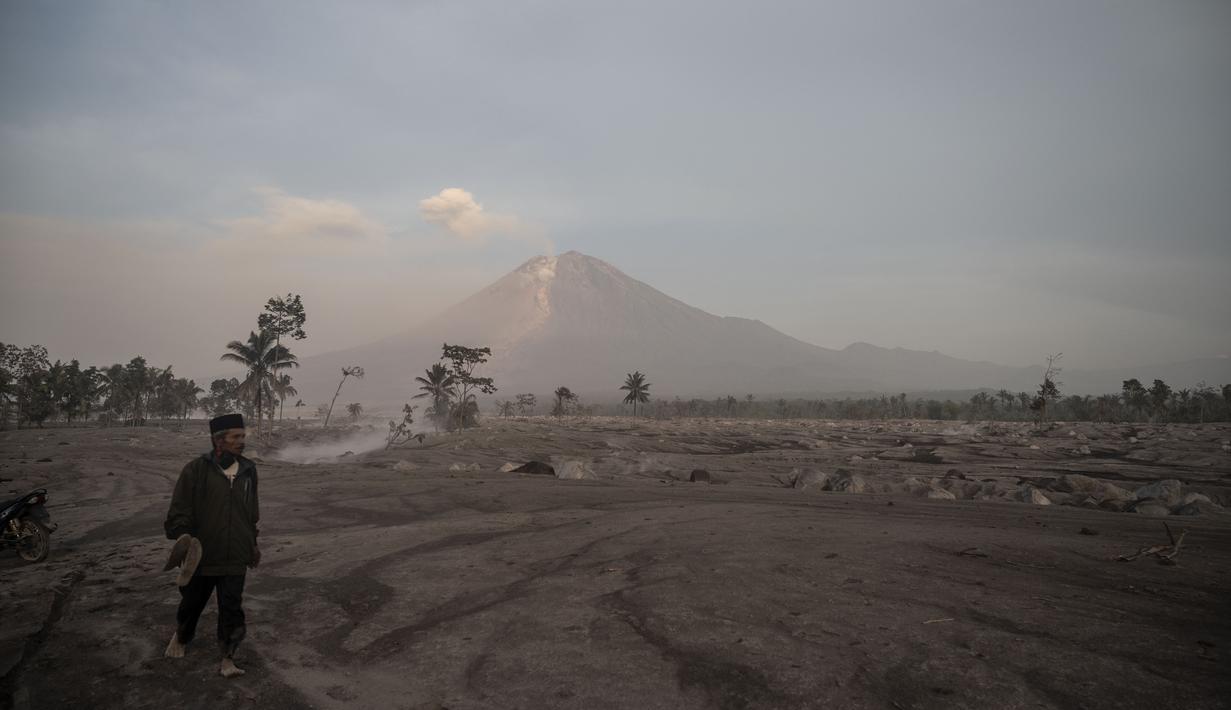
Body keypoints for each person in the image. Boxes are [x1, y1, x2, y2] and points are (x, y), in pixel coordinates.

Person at [163, 413, 260, 678]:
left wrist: (252, 544)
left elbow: (252, 513)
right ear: (219, 441)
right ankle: (182, 636)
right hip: (202, 554)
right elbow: (179, 511)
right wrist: (183, 536)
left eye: (243, 436)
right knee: (192, 603)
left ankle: (228, 658)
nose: (242, 441)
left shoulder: (249, 470)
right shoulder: (195, 470)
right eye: (236, 437)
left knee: (231, 607)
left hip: (236, 554)